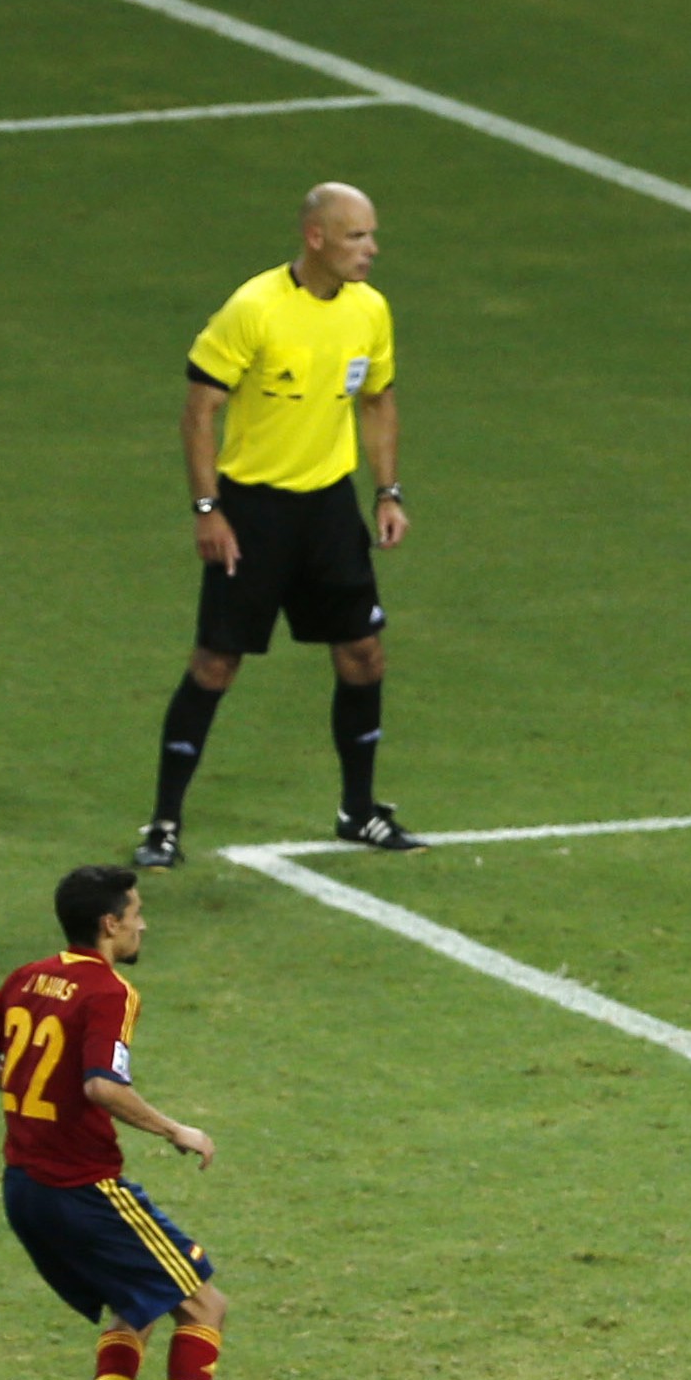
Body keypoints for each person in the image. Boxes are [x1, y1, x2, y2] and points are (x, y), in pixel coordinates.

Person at [0, 867, 249, 1380]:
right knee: (204, 1302)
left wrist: (30, 1082)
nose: (143, 922)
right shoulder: (110, 990)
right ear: (109, 922)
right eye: (136, 911)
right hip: (81, 1187)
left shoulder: (27, 976)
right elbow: (101, 1086)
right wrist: (177, 1128)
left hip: (22, 1188)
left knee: (136, 1303)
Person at [145, 181, 424, 869]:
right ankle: (163, 825)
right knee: (216, 661)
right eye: (357, 236)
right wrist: (208, 509)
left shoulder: (369, 311)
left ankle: (359, 811)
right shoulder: (255, 309)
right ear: (317, 237)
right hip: (254, 510)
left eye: (372, 234)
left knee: (364, 654)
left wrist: (386, 493)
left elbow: (379, 402)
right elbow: (199, 410)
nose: (371, 249)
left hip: (328, 508)